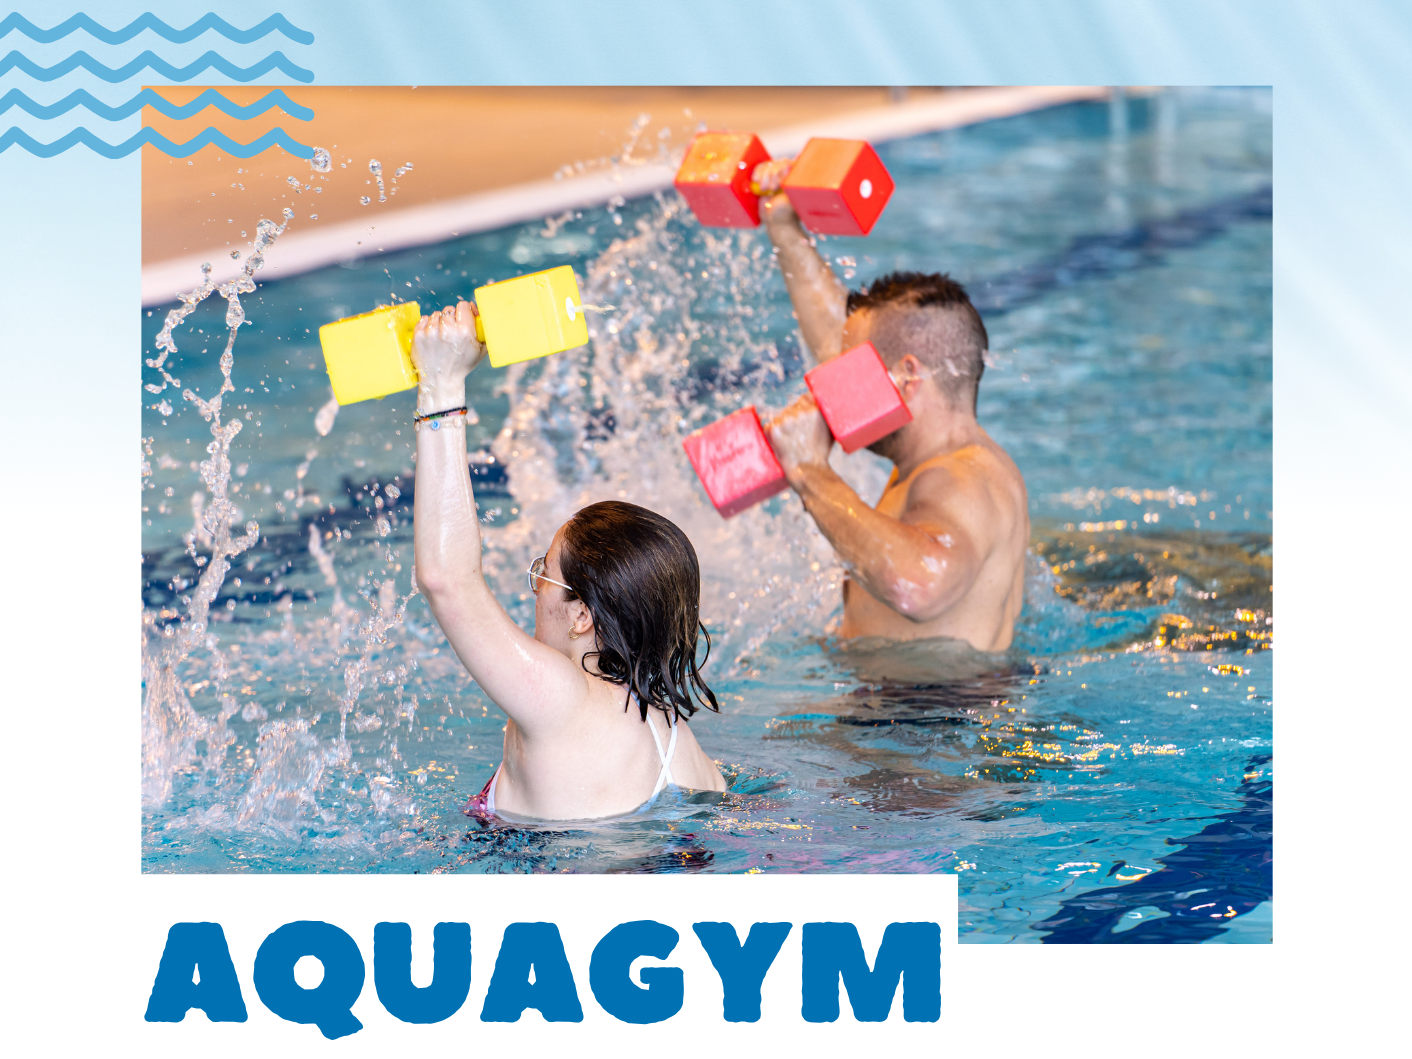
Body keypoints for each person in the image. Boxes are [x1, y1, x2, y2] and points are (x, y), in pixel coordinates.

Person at [410, 302, 727, 821]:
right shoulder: (682, 745)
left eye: (543, 574)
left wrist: (441, 385)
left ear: (582, 614)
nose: (533, 589)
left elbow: (447, 581)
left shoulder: (560, 702)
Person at [752, 161, 1030, 652]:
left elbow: (918, 586)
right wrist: (784, 228)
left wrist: (809, 471)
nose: (838, 381)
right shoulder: (952, 460)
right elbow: (838, 349)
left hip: (923, 724)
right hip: (915, 714)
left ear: (907, 377)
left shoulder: (960, 481)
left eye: (854, 370)